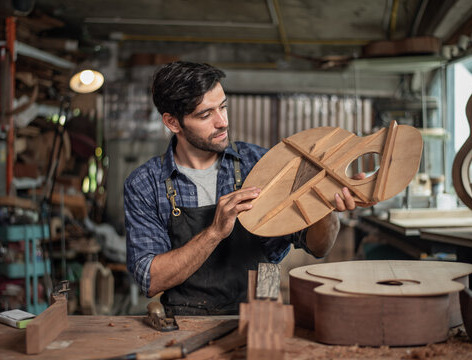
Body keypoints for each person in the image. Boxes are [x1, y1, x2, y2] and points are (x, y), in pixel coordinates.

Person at [124, 61, 368, 315]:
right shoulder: (145, 184)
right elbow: (150, 280)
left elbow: (318, 247)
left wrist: (326, 206)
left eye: (223, 107)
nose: (222, 122)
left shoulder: (262, 163)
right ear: (173, 122)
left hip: (263, 309)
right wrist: (214, 232)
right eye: (206, 115)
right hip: (187, 319)